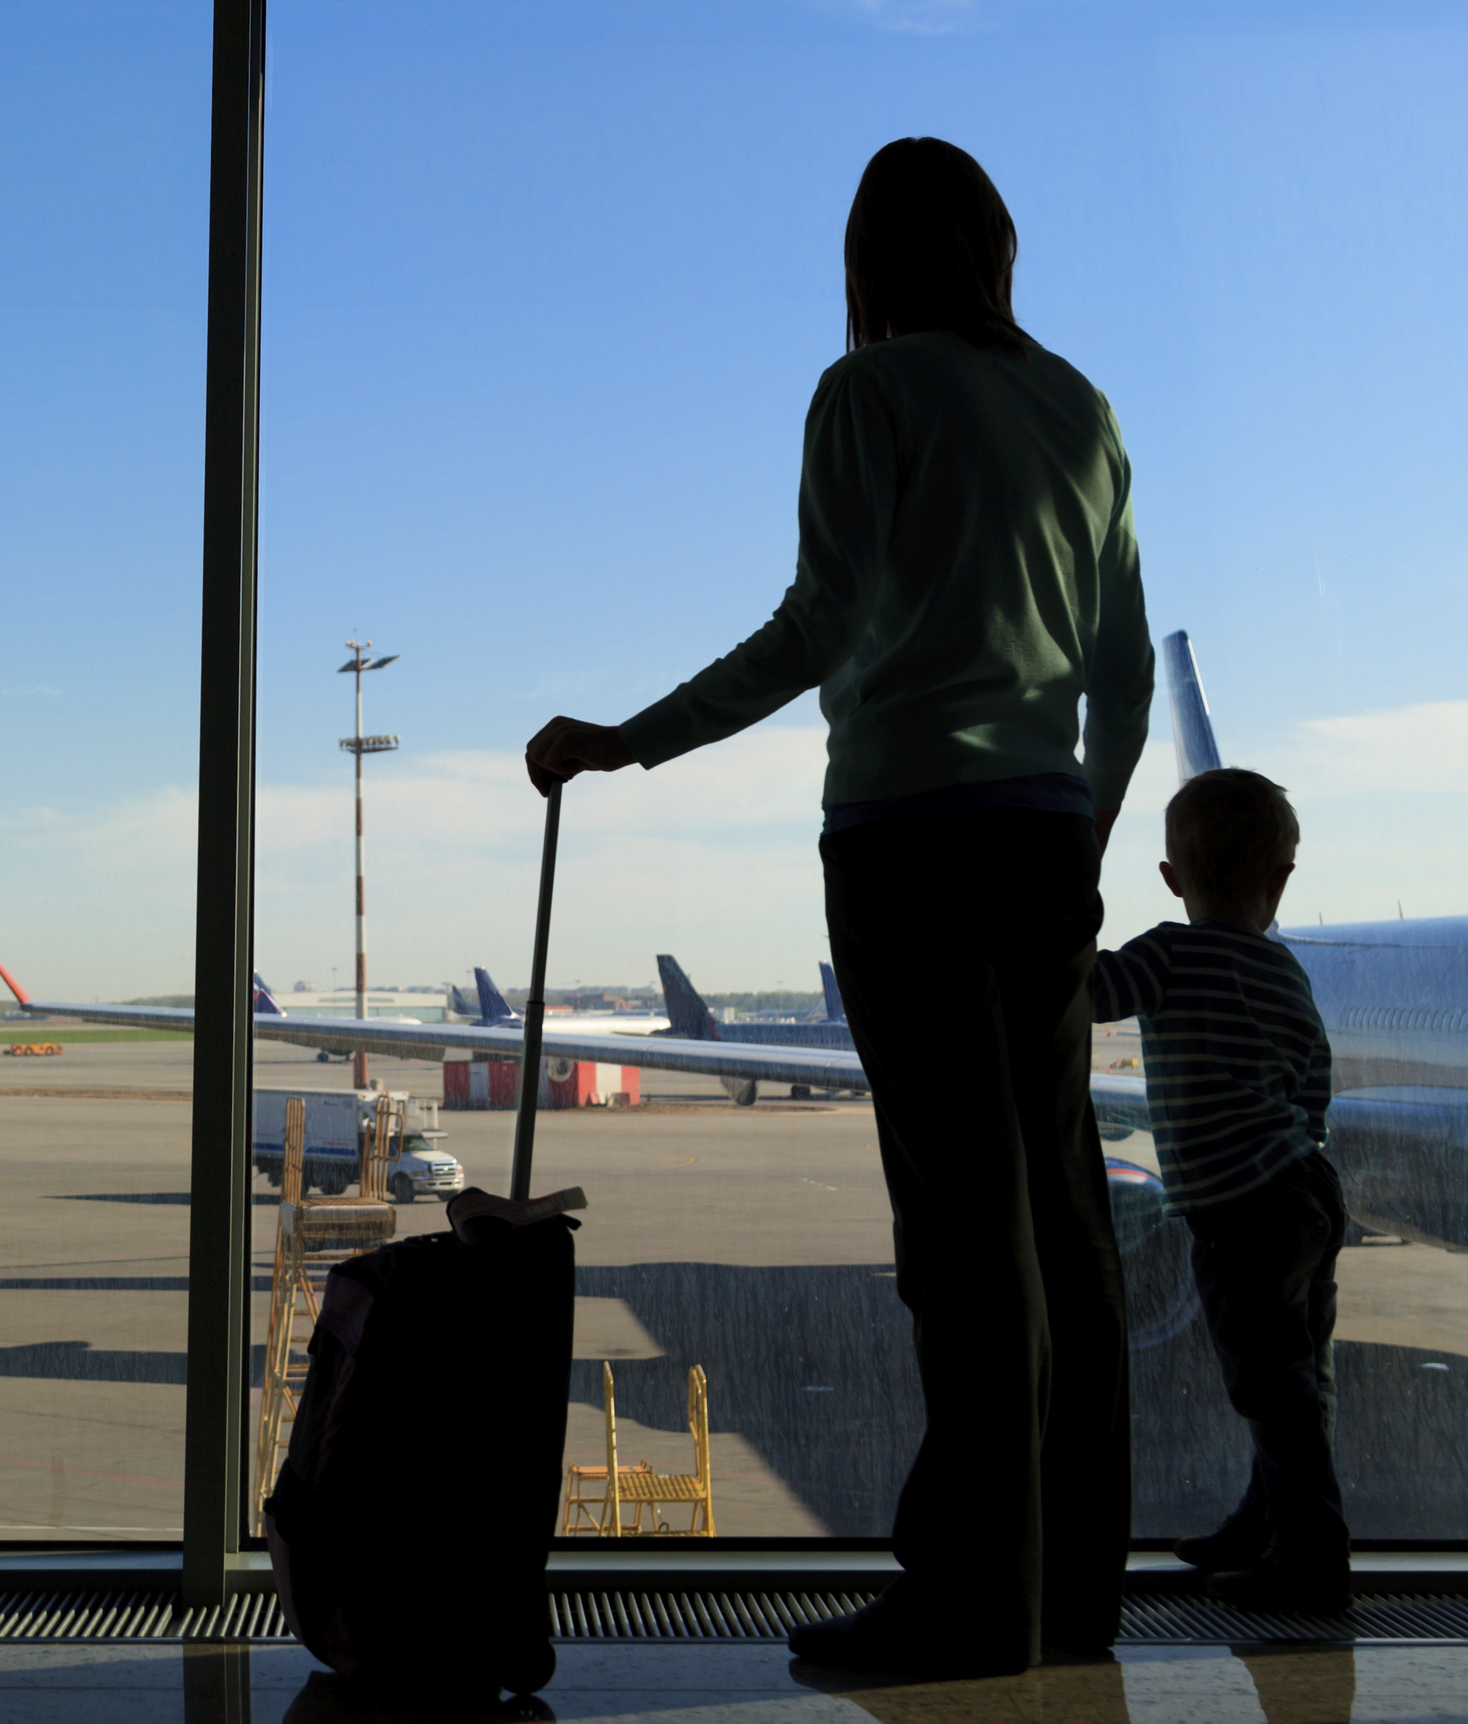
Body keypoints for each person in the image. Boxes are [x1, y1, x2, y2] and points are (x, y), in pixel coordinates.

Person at [526, 136, 1151, 1677]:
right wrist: (1085, 837)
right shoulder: (1080, 408)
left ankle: (964, 1601)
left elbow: (823, 621)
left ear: (867, 265)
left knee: (960, 1230)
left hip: (907, 844)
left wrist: (626, 736)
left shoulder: (863, 394)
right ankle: (1070, 1597)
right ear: (999, 250)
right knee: (1065, 1224)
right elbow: (1123, 669)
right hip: (1041, 843)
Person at [1091, 768, 1349, 1614]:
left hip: (1240, 1208)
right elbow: (1314, 1079)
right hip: (1307, 1189)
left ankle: (1310, 1561)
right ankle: (1263, 1523)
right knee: (1300, 1377)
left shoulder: (1170, 951)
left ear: (1172, 878)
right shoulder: (1286, 971)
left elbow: (1092, 993)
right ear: (1281, 881)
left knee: (1270, 1387)